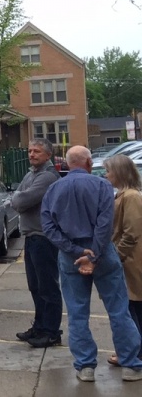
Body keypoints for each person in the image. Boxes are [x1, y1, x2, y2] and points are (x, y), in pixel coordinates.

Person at [42, 146, 142, 383]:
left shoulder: (54, 189)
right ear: (88, 163)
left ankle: (85, 366)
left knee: (77, 313)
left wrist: (76, 251)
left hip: (70, 256)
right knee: (119, 310)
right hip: (102, 252)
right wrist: (94, 254)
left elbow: (49, 227)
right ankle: (131, 364)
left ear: (67, 164)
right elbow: (104, 223)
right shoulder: (102, 186)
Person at [9, 138, 62, 348]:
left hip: (43, 237)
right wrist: (19, 199)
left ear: (48, 155)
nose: (31, 155)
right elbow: (17, 199)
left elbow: (20, 201)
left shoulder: (48, 177)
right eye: (30, 151)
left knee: (47, 286)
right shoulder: (31, 174)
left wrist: (19, 199)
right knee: (35, 286)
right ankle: (39, 326)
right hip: (30, 236)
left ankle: (51, 332)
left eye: (37, 152)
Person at [106, 154, 142, 367]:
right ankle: (132, 351)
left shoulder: (131, 197)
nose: (106, 174)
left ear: (119, 172)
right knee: (133, 308)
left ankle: (133, 353)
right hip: (129, 260)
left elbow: (132, 232)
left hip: (131, 261)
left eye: (109, 170)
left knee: (132, 309)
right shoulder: (124, 195)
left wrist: (116, 256)